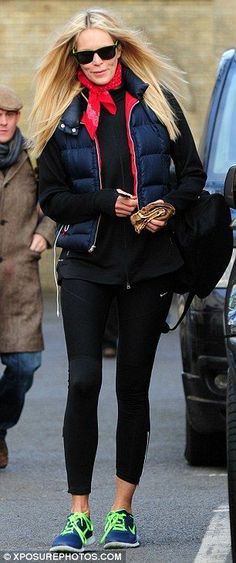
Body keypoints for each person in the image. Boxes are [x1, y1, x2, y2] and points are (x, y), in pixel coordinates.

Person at [30, 7, 206, 552]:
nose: (99, 61)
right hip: (85, 259)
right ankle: (78, 512)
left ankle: (122, 510)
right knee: (83, 380)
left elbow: (193, 175)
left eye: (107, 51)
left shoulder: (156, 104)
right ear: (74, 60)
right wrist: (106, 201)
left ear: (121, 51)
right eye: (87, 54)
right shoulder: (60, 116)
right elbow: (52, 197)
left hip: (150, 263)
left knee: (133, 387)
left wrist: (167, 209)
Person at [0, 84, 55, 470]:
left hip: (20, 278)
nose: (3, 121)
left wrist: (45, 233)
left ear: (18, 117)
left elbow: (57, 199)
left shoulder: (35, 156)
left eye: (10, 114)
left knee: (26, 364)